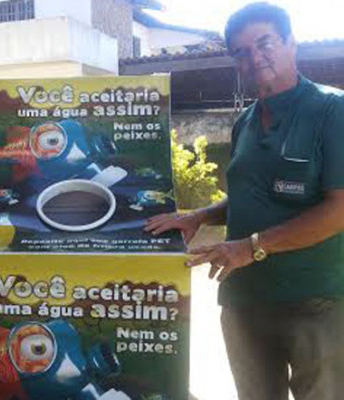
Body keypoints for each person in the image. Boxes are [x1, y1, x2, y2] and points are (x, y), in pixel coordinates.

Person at [145, 2, 344, 400]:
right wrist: (199, 216)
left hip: (316, 299)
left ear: (291, 43)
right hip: (244, 301)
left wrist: (251, 247)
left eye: (265, 43)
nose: (254, 58)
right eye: (241, 52)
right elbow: (247, 196)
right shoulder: (245, 123)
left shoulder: (331, 110)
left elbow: (338, 209)